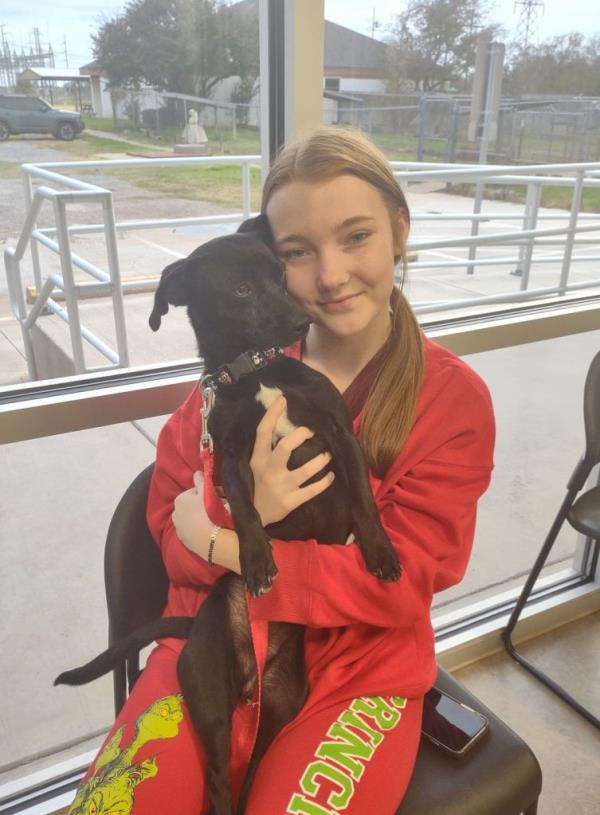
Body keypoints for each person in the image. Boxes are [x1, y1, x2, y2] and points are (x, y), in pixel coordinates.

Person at [68, 127, 495, 815]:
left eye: (356, 236)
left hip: (357, 670)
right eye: (298, 251)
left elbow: (403, 582)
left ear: (399, 230)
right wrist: (217, 537)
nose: (328, 275)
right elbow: (165, 537)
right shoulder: (232, 380)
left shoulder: (451, 401)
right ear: (270, 259)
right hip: (207, 648)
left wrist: (227, 542)